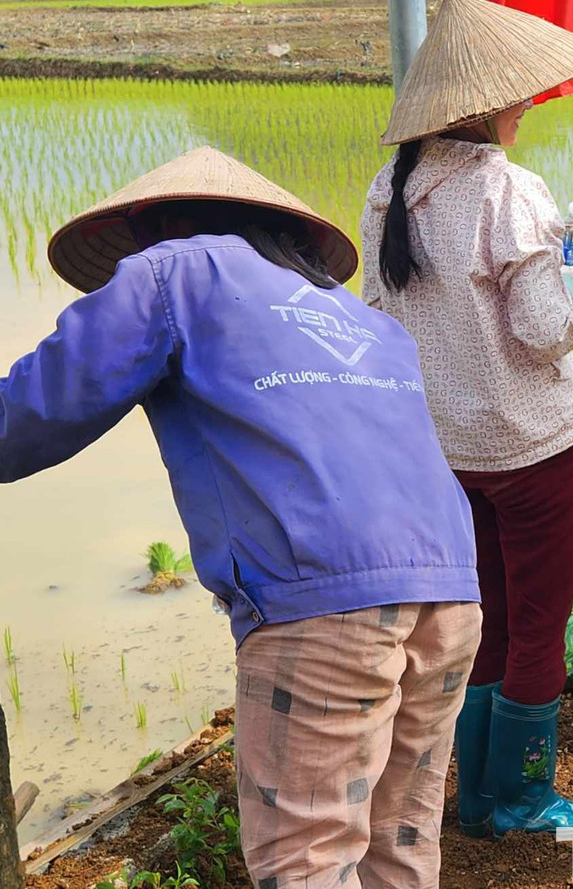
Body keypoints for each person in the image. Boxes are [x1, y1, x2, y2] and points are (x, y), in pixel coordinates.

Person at [1, 147, 481, 888]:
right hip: (450, 591)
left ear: (157, 225)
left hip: (323, 600)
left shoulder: (170, 273)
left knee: (307, 857)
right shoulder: (359, 317)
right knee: (401, 839)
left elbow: (31, 413)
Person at [361, 0, 573, 839]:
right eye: (519, 94)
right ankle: (524, 796)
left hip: (446, 451)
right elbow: (542, 334)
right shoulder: (507, 190)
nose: (528, 105)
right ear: (486, 104)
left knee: (484, 620)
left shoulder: (388, 191)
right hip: (535, 449)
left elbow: (381, 319)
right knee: (539, 625)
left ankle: (475, 795)